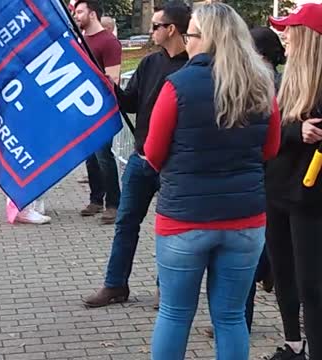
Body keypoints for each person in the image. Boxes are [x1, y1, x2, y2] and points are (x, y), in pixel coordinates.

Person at [144, 3, 281, 359]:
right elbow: (271, 148)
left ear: (205, 38)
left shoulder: (178, 86)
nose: (187, 42)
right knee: (231, 316)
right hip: (246, 219)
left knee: (175, 314)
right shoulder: (263, 86)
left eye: (190, 35)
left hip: (184, 218)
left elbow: (154, 153)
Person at [83, 1, 190, 308]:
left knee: (169, 230)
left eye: (156, 26)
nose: (151, 31)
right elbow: (131, 102)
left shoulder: (194, 66)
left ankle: (165, 289)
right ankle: (115, 285)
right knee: (126, 222)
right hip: (141, 159)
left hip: (173, 163)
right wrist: (111, 88)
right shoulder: (149, 64)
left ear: (171, 29)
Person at [204, 26, 285, 340]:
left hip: (264, 179)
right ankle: (267, 271)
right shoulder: (268, 83)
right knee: (254, 255)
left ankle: (243, 316)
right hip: (267, 177)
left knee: (248, 260)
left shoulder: (265, 86)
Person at [264, 3, 322, 359]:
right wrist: (293, 132)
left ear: (309, 38)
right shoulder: (284, 83)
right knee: (283, 276)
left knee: (311, 286)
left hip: (310, 201)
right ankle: (293, 345)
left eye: (290, 30)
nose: (283, 36)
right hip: (277, 193)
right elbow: (267, 135)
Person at [74, 0, 122, 225]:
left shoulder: (109, 42)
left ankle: (114, 203)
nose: (76, 15)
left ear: (92, 14)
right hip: (83, 109)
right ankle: (96, 199)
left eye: (80, 11)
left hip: (102, 109)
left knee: (104, 156)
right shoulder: (80, 40)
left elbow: (113, 79)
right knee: (90, 156)